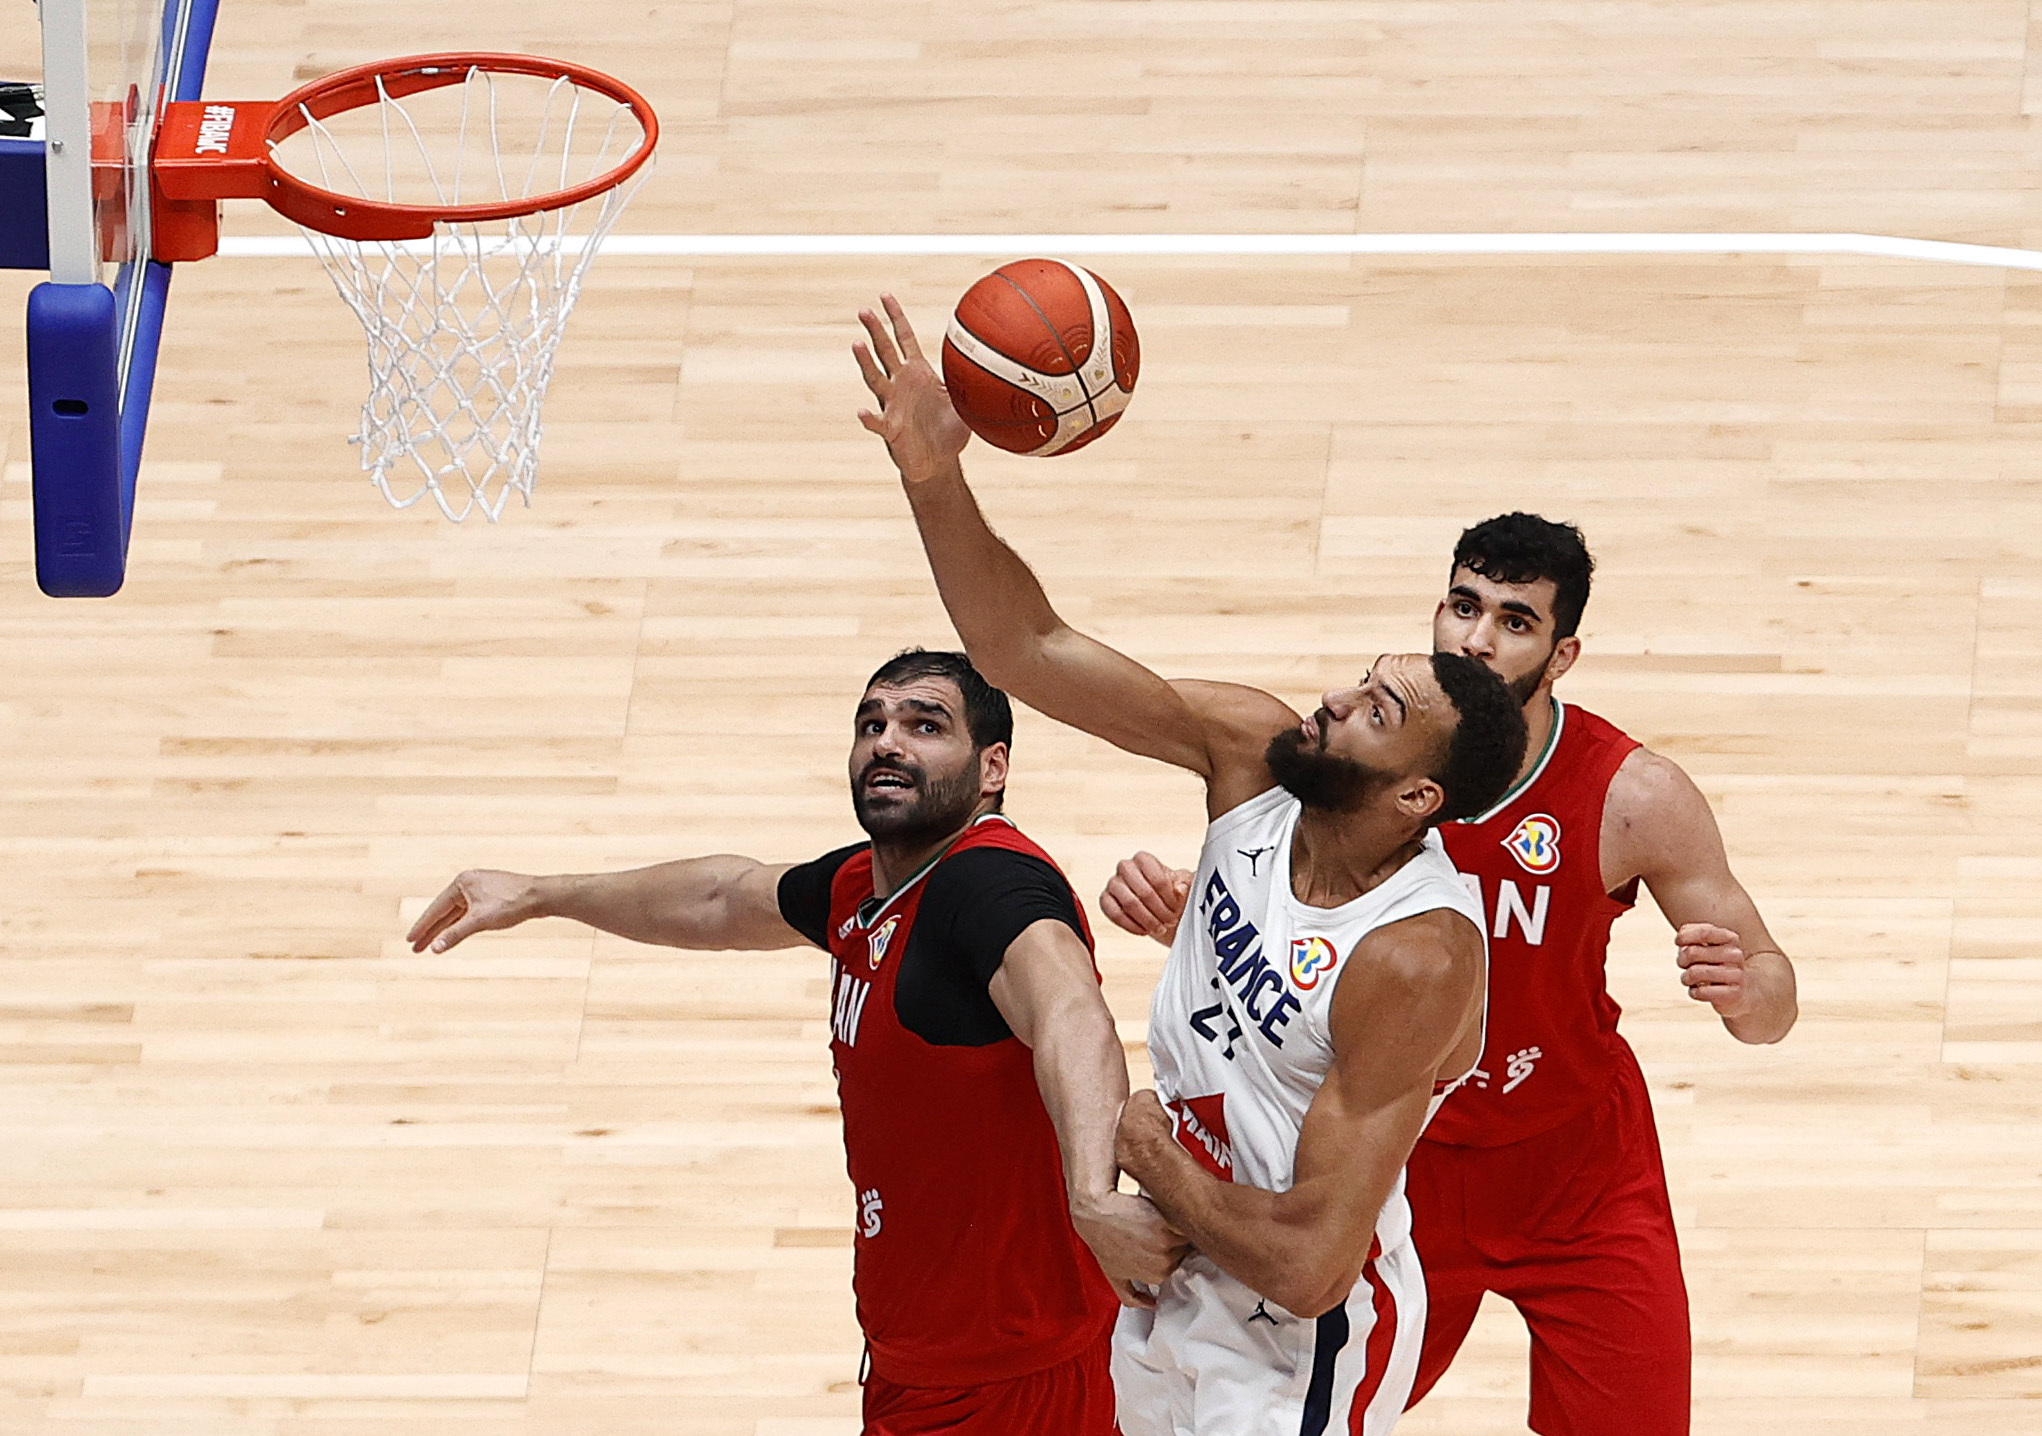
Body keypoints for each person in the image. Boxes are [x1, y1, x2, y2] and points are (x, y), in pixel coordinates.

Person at [852, 295, 1529, 1435]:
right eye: (1361, 679)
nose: (1333, 699)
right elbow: (1028, 648)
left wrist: (1144, 1152)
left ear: (1418, 797)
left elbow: (1311, 1264)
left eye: (1374, 711)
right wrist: (932, 473)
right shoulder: (1253, 755)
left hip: (1290, 1345)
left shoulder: (1417, 954)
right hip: (1172, 1278)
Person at [1099, 512, 1801, 1436]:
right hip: (1400, 1169)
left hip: (1576, 1170)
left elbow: (1772, 998)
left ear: (1563, 655)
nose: (1477, 638)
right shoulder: (1369, 764)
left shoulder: (1634, 795)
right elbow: (1295, 922)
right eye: (1464, 607)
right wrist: (1195, 914)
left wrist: (1749, 990)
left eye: (1515, 621)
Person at [406, 648, 1185, 1436]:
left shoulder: (986, 886)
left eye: (925, 726)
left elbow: (1071, 1014)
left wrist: (1094, 1197)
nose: (888, 742)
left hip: (1012, 1381)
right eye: (871, 724)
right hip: (929, 1359)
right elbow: (721, 897)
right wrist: (540, 894)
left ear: (992, 768)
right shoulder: (869, 889)